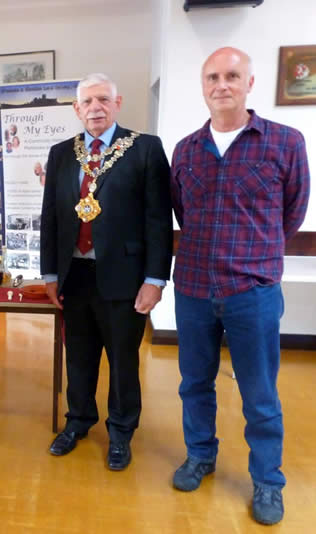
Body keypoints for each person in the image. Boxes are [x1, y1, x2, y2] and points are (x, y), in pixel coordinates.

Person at [169, 47, 310, 526]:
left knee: (260, 393)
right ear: (203, 85)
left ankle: (268, 482)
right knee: (194, 384)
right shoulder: (186, 149)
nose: (221, 84)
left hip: (252, 292)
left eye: (232, 75)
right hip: (191, 288)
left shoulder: (285, 142)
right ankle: (200, 455)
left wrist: (254, 255)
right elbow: (183, 214)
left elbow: (292, 213)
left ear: (250, 83)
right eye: (213, 76)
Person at [40, 73, 173, 470]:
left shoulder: (145, 149)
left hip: (125, 277)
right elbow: (51, 218)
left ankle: (120, 431)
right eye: (86, 102)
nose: (94, 108)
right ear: (76, 109)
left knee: (122, 360)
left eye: (103, 100)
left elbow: (158, 220)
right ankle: (78, 421)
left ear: (118, 103)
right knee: (78, 357)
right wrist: (50, 274)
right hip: (75, 275)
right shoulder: (62, 153)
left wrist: (155, 280)